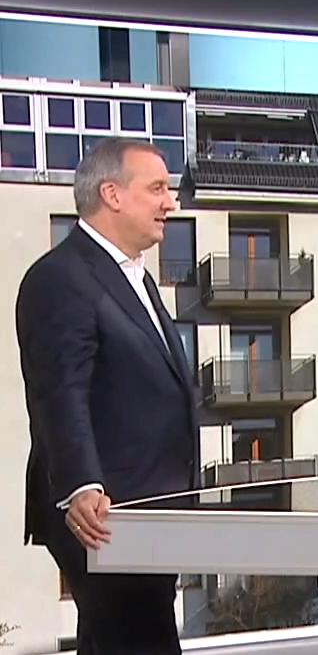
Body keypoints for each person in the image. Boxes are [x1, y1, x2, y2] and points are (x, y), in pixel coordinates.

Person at [18, 137, 198, 655]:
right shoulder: (60, 278)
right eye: (157, 188)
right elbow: (59, 391)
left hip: (151, 512)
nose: (171, 203)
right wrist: (81, 484)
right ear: (112, 194)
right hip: (105, 517)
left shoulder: (135, 277)